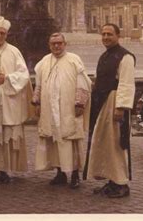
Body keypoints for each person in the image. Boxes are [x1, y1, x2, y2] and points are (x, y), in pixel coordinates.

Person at [32, 33, 91, 189]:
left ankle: (75, 175)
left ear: (65, 44)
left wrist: (80, 103)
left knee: (70, 140)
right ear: (49, 45)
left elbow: (83, 83)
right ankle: (60, 173)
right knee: (54, 140)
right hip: (49, 109)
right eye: (53, 44)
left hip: (69, 109)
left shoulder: (74, 60)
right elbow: (38, 84)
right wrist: (37, 102)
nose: (56, 46)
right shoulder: (44, 61)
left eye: (59, 43)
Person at [83, 23, 135, 198]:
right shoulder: (105, 56)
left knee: (116, 143)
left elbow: (126, 84)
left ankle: (121, 183)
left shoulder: (125, 57)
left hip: (114, 103)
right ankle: (111, 180)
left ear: (118, 36)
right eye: (103, 34)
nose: (106, 37)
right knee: (105, 143)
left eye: (109, 34)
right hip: (102, 103)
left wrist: (120, 108)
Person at [0, 16, 31, 183]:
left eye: (2, 33)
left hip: (8, 100)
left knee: (5, 136)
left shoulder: (14, 52)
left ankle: (3, 170)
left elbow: (24, 75)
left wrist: (7, 79)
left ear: (6, 34)